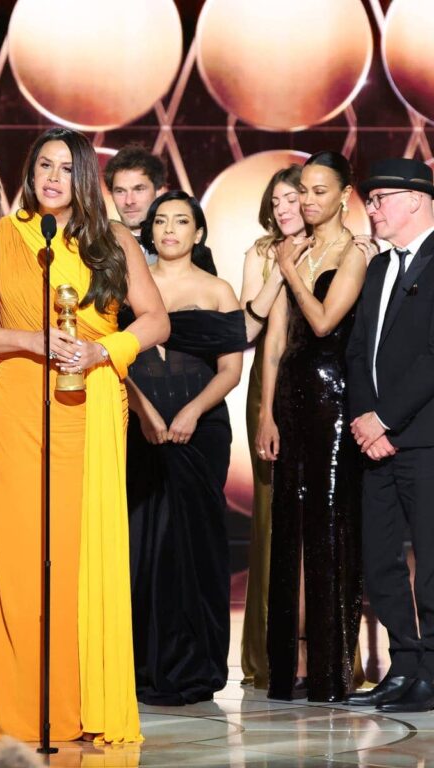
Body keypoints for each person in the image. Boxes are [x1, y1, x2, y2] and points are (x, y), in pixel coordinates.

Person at [0, 127, 168, 741]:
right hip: (18, 398)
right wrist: (31, 340)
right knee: (19, 552)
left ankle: (75, 702)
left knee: (77, 551)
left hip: (90, 404)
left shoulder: (112, 239)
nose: (52, 178)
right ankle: (21, 708)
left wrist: (105, 353)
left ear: (86, 179)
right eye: (44, 165)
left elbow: (156, 320)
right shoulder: (6, 236)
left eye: (66, 168)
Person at [125, 191, 245, 704]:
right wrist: (145, 413)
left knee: (191, 544)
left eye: (181, 221)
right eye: (161, 221)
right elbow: (116, 359)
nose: (169, 229)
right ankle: (136, 665)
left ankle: (195, 663)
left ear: (198, 233)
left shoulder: (218, 290)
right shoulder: (127, 285)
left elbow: (231, 370)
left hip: (201, 433)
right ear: (148, 231)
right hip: (137, 428)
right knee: (139, 544)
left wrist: (192, 412)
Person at [257, 151, 366, 702]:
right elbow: (275, 340)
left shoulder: (355, 252)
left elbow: (323, 321)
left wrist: (291, 269)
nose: (308, 200)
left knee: (327, 527)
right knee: (286, 529)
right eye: (303, 190)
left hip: (334, 398)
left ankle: (329, 674)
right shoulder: (293, 247)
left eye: (320, 190)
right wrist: (263, 412)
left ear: (344, 195)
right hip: (291, 400)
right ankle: (283, 671)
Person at [345, 158, 434, 713]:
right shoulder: (378, 269)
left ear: (418, 201)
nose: (371, 209)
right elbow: (357, 351)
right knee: (379, 559)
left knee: (431, 561)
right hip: (374, 440)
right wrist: (364, 419)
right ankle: (403, 665)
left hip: (424, 439)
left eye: (379, 199)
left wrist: (387, 418)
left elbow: (432, 358)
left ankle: (432, 669)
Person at [238, 165, 306, 689]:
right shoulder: (260, 254)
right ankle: (266, 656)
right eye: (276, 201)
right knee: (270, 517)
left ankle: (327, 654)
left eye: (293, 198)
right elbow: (248, 330)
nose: (283, 209)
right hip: (270, 385)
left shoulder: (344, 247)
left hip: (328, 386)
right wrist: (281, 270)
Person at [103, 145, 167, 262]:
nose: (129, 201)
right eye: (120, 191)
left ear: (159, 192)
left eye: (138, 189)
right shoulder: (97, 250)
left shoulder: (184, 249)